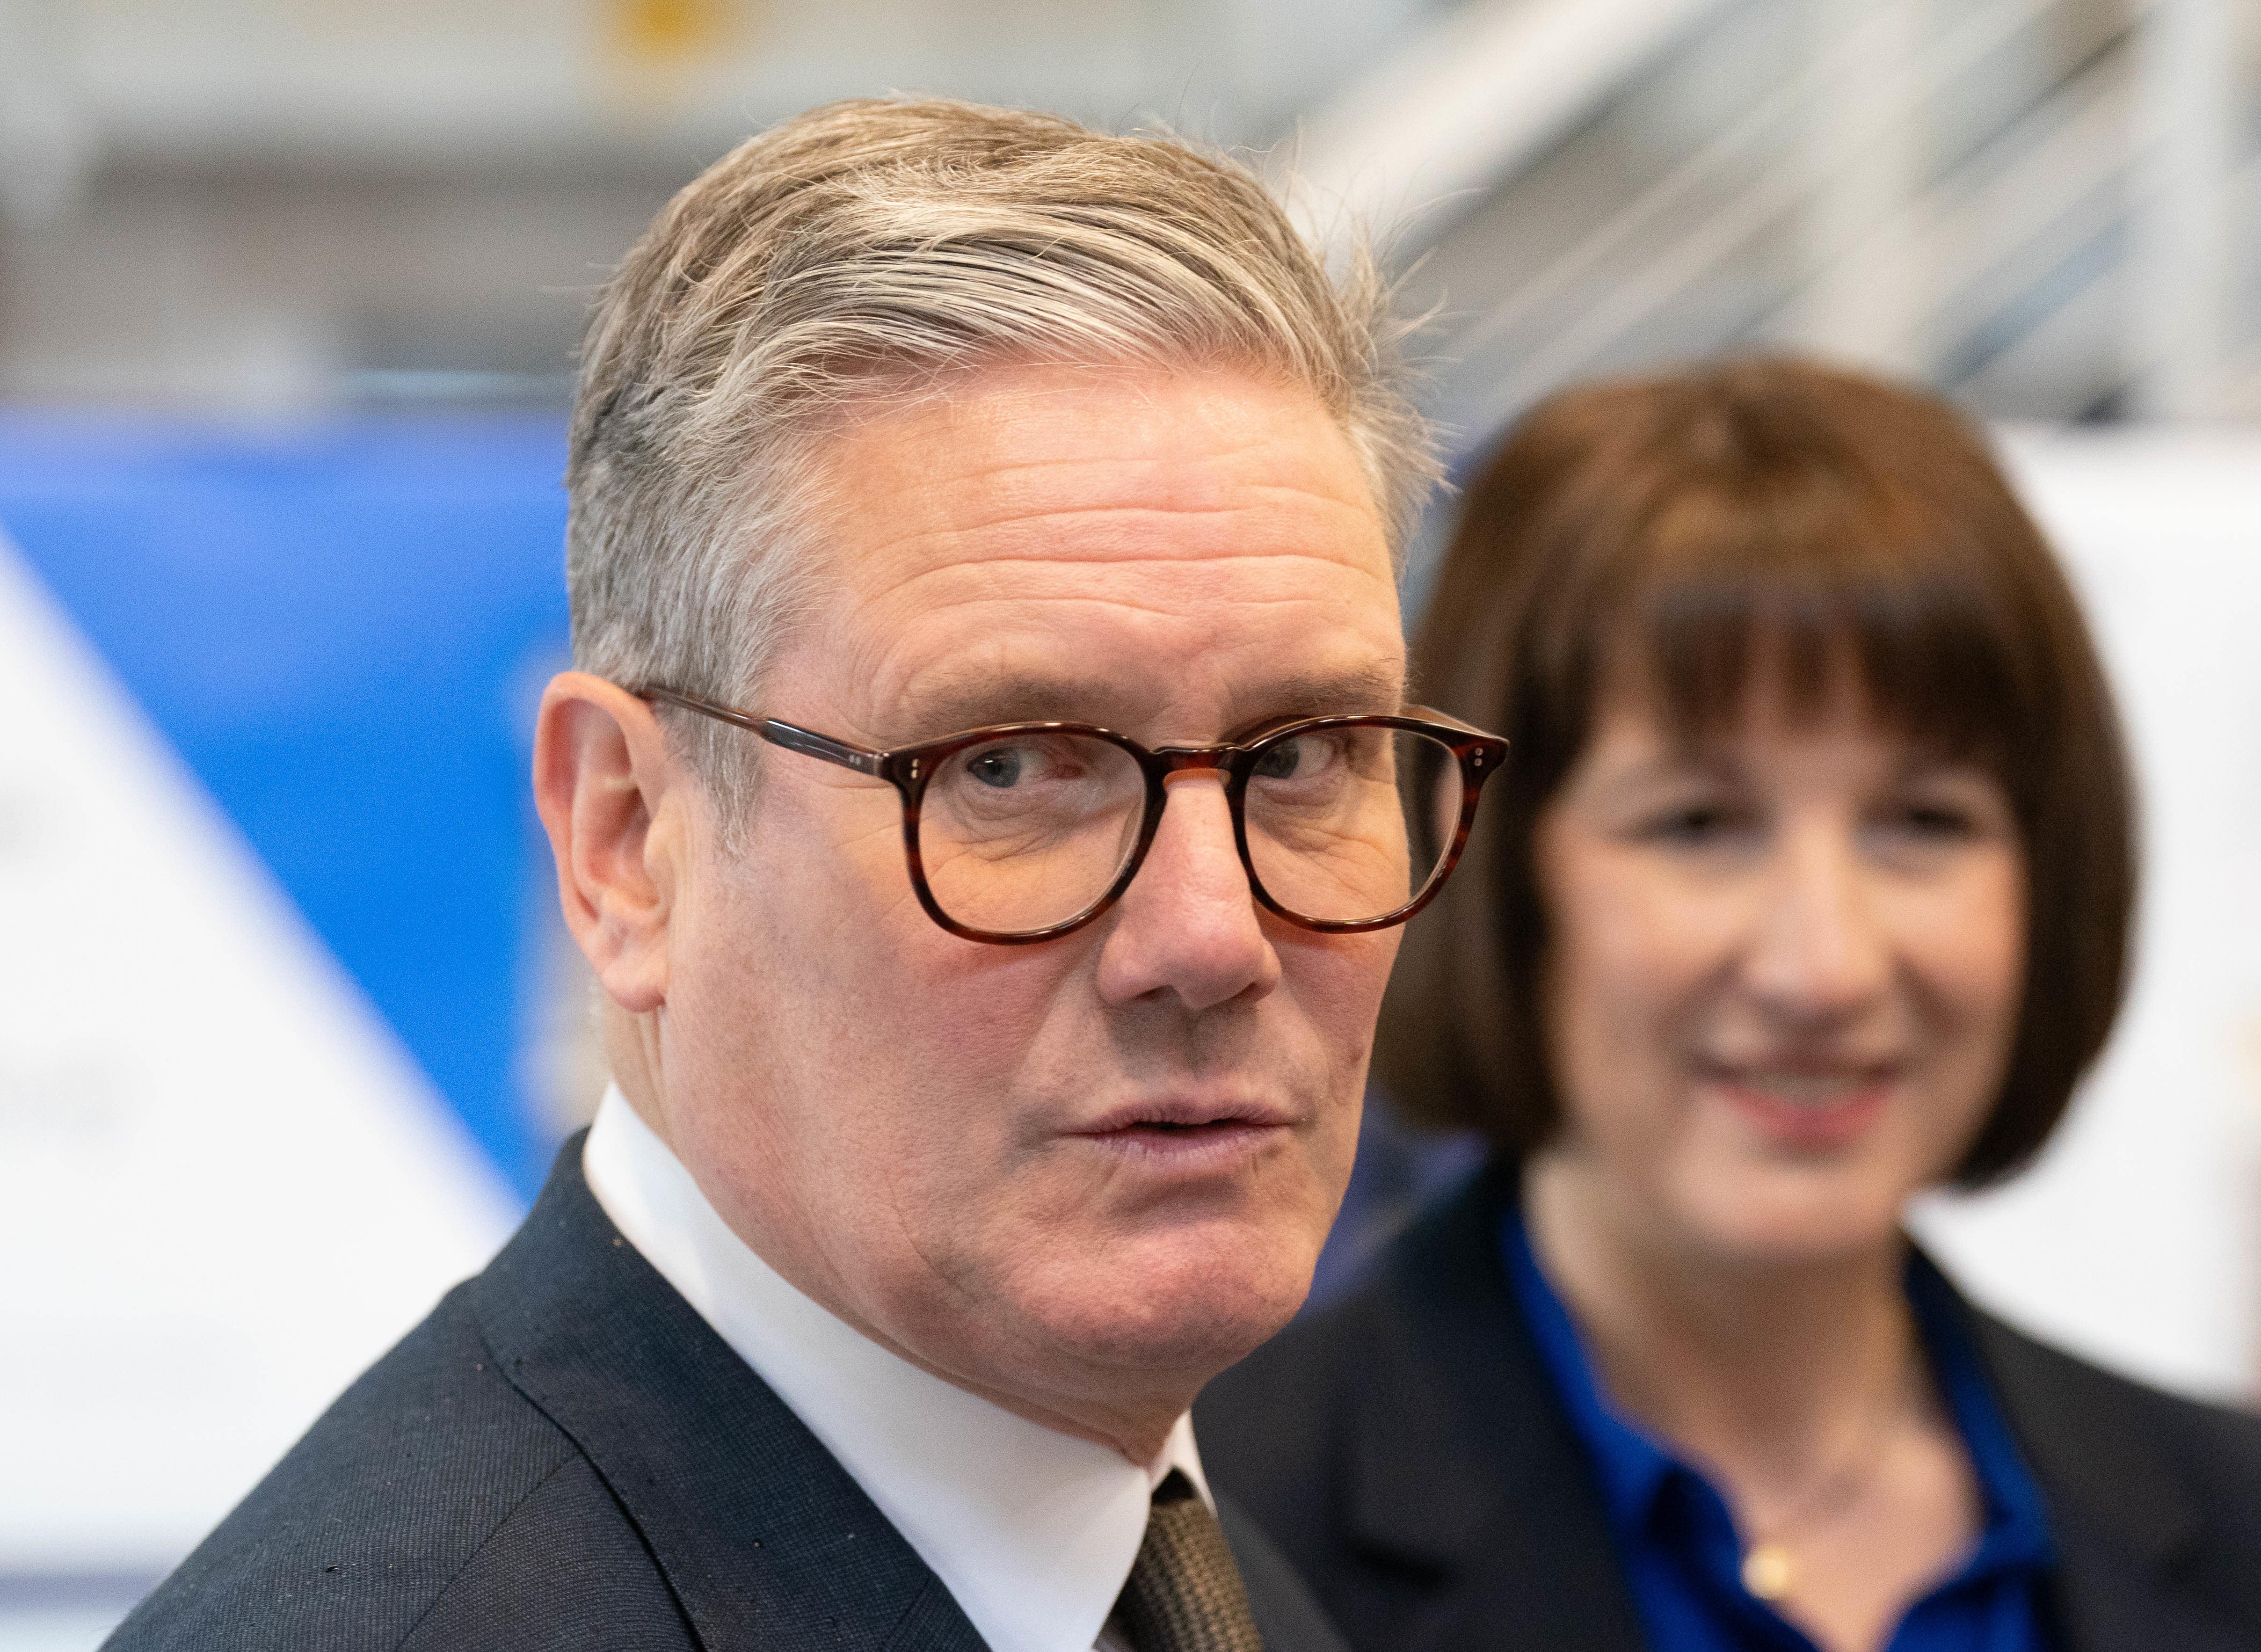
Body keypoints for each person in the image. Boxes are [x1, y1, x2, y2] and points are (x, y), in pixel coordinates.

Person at [107, 98, 1507, 1652]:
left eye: (1306, 754)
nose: (1210, 934)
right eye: (1008, 768)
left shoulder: (1171, 1559)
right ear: (626, 839)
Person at [1197, 361, 2261, 1652]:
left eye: (1924, 823)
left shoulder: (2247, 1522)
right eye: (1700, 825)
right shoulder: (1224, 1532)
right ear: (1485, 860)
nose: (1826, 967)